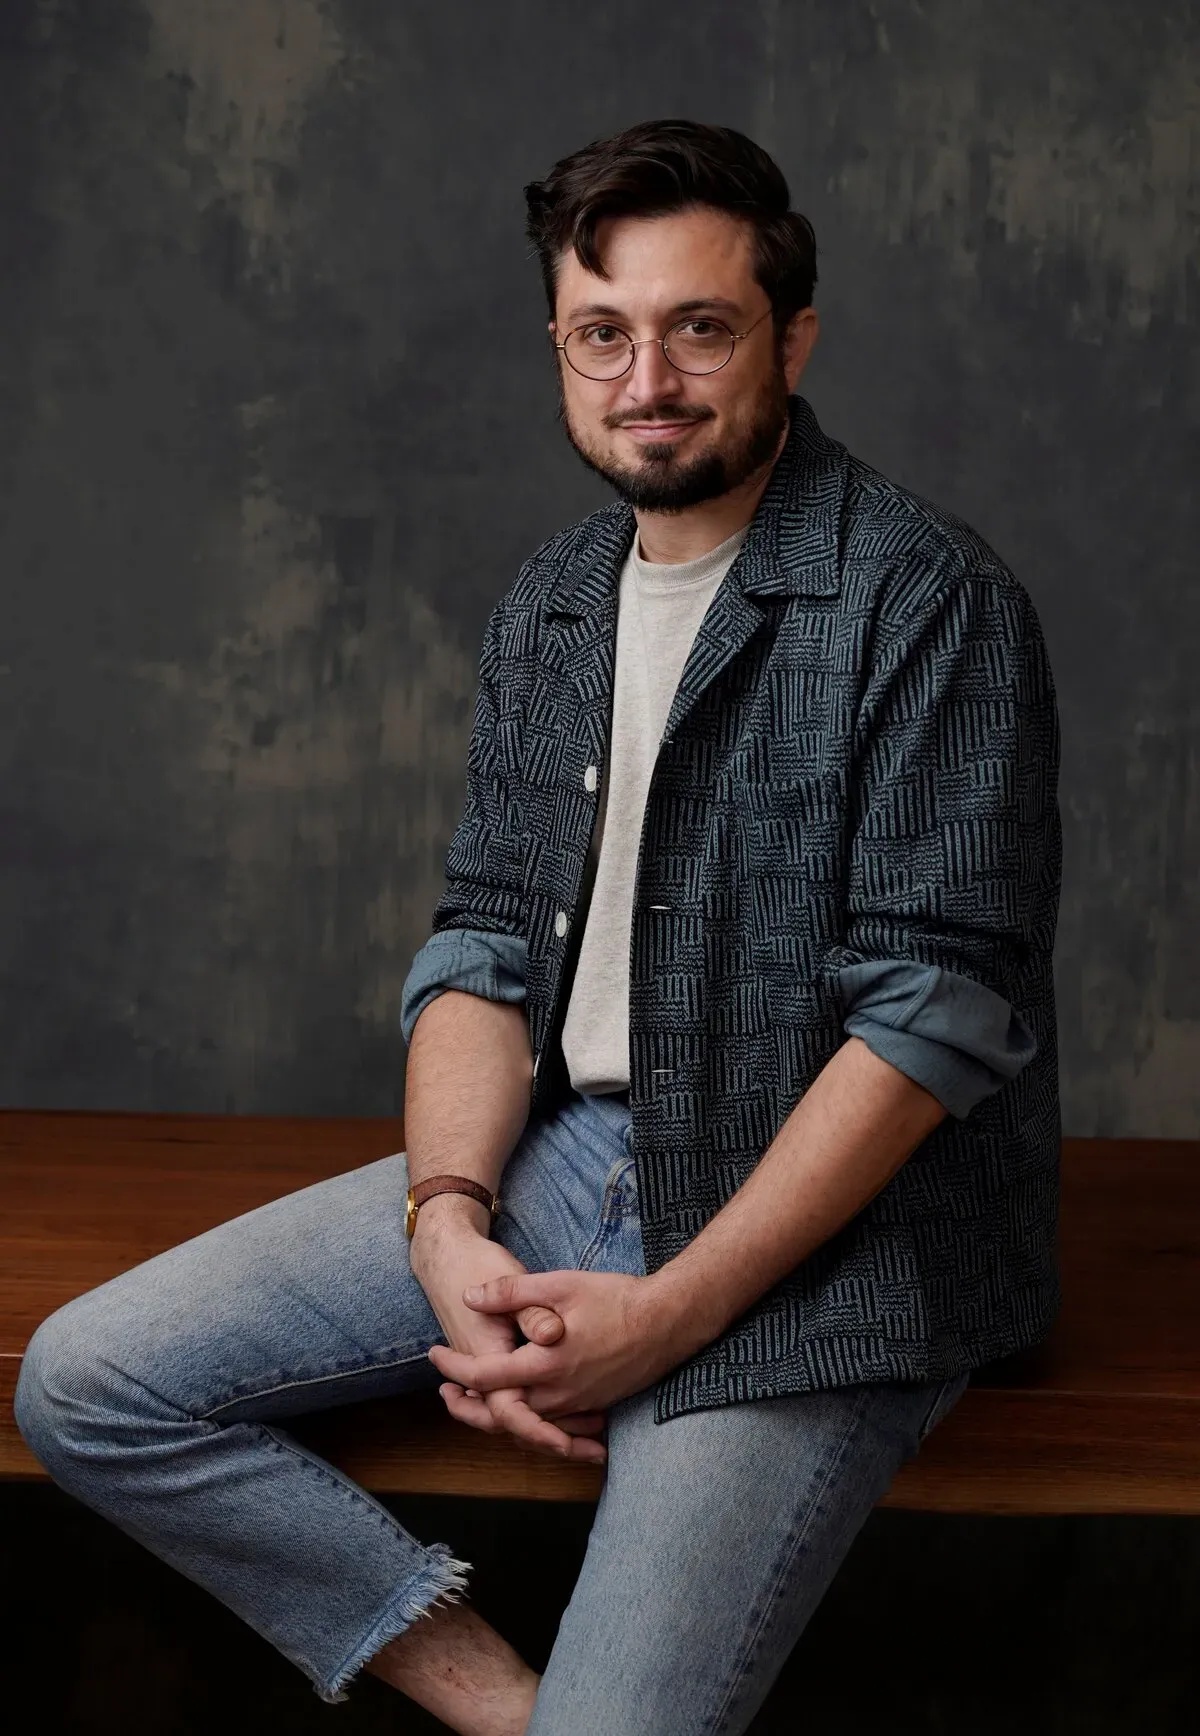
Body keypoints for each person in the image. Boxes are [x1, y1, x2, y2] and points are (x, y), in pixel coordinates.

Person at [15, 119, 1061, 1734]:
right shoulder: (556, 600)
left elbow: (931, 1019)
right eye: (601, 334)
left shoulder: (929, 599)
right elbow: (485, 946)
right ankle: (510, 1713)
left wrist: (672, 1313)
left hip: (833, 1251)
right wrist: (446, 1219)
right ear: (560, 350)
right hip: (577, 1160)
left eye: (700, 328)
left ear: (791, 341)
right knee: (92, 1383)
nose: (649, 379)